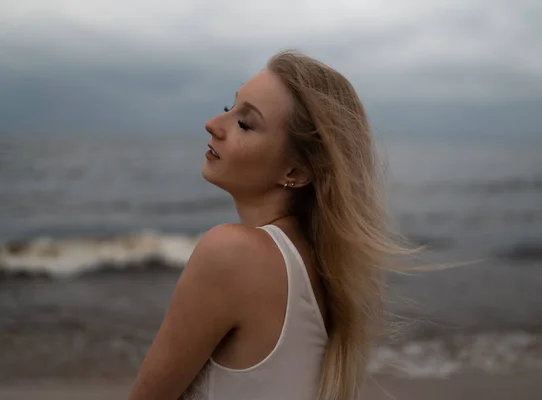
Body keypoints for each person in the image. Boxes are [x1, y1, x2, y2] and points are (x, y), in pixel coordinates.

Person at [129, 50, 407, 400]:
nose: (214, 123)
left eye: (245, 123)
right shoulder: (319, 268)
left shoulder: (233, 253)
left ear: (296, 172)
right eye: (230, 107)